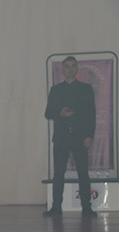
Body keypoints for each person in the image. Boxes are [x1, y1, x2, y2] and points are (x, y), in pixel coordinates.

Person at [44, 56, 97, 217]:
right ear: (62, 69)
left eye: (73, 66)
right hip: (61, 137)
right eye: (67, 66)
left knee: (83, 173)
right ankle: (56, 207)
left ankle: (87, 208)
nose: (70, 69)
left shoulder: (86, 89)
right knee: (58, 174)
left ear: (77, 68)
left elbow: (91, 114)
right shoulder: (56, 90)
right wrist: (60, 113)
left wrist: (89, 136)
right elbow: (48, 113)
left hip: (80, 137)